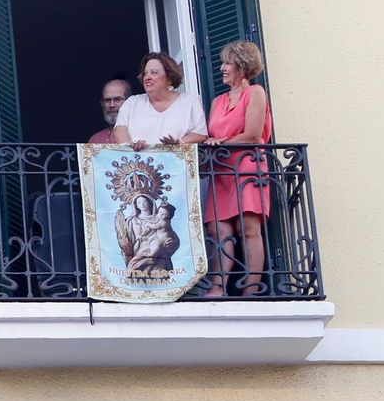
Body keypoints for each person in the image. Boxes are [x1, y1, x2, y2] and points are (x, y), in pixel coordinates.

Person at [201, 40, 273, 297]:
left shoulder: (255, 93)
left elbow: (253, 134)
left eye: (227, 63)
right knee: (217, 228)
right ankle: (218, 286)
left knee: (248, 229)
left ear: (242, 66)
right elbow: (209, 134)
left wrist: (221, 143)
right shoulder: (218, 101)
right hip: (220, 170)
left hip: (246, 167)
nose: (222, 68)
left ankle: (250, 291)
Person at [109, 53, 207, 150]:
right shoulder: (132, 103)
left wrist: (179, 142)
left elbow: (201, 134)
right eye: (145, 73)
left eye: (154, 72)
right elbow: (119, 129)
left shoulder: (190, 102)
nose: (147, 77)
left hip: (176, 163)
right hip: (138, 164)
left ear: (169, 77)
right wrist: (129, 146)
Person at [88, 76, 132, 143]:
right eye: (107, 100)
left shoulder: (142, 136)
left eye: (117, 99)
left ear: (129, 102)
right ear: (102, 103)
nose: (112, 105)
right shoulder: (95, 141)